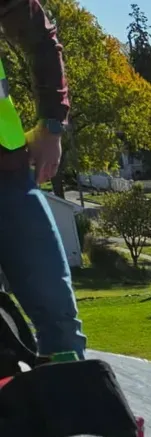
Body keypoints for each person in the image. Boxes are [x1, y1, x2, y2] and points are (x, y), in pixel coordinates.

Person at [0, 0, 85, 358]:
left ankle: (75, 411)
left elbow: (40, 37)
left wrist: (52, 126)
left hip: (10, 176)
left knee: (58, 317)